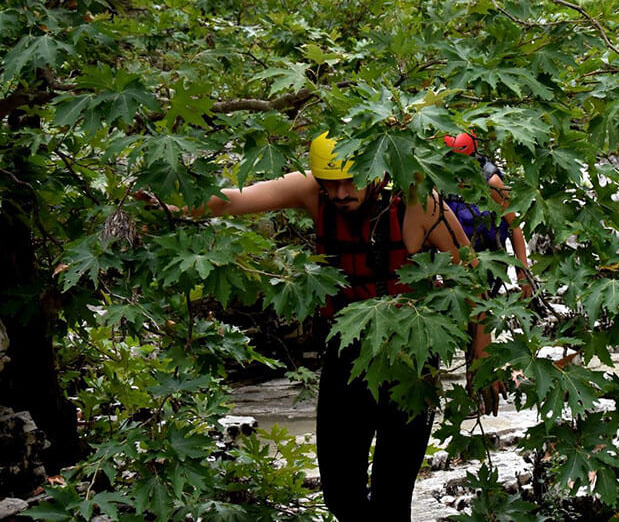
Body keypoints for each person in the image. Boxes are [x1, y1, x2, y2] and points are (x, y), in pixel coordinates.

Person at [144, 132, 496, 520]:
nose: (341, 193)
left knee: (391, 500)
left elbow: (471, 277)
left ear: (373, 172)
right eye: (332, 183)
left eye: (350, 181)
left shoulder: (416, 203)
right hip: (348, 353)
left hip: (410, 360)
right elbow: (237, 199)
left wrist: (482, 357)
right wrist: (171, 207)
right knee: (340, 496)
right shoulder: (312, 191)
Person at [443, 130, 533, 297]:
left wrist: (523, 270)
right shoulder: (441, 180)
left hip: (489, 260)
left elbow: (514, 225)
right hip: (456, 262)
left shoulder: (491, 182)